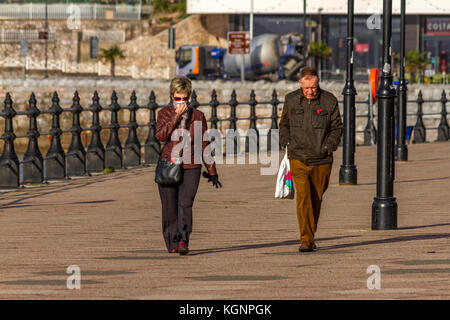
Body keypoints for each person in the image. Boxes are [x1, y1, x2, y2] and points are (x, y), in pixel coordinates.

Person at [155, 76, 222, 255]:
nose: (182, 102)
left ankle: (183, 239)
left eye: (185, 98)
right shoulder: (164, 113)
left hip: (192, 164)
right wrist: (176, 116)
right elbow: (161, 136)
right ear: (172, 97)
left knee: (186, 203)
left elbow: (205, 143)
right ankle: (172, 242)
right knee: (169, 206)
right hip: (169, 163)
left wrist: (212, 171)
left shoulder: (198, 116)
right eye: (178, 98)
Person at [279, 67, 343, 252]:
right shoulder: (291, 100)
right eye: (306, 88)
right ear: (300, 84)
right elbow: (284, 123)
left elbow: (337, 127)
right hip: (297, 157)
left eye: (313, 87)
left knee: (316, 198)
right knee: (303, 198)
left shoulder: (329, 100)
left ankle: (310, 235)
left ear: (318, 83)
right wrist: (285, 140)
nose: (310, 91)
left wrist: (329, 146)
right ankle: (305, 239)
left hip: (322, 159)